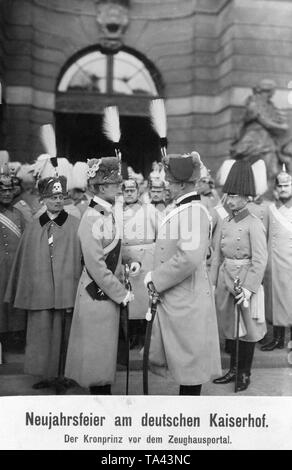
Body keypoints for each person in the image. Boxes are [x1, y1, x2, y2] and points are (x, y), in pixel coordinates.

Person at [144, 152, 221, 395]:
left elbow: (188, 257)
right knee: (185, 366)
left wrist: (155, 280)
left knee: (190, 368)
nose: (166, 187)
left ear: (181, 184)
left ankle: (188, 419)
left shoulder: (193, 212)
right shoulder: (182, 209)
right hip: (179, 297)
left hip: (186, 299)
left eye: (169, 183)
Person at [5, 175, 82, 388]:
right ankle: (44, 375)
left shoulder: (75, 225)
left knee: (65, 334)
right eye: (52, 197)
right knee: (40, 333)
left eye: (61, 196)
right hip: (40, 290)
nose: (58, 201)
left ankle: (65, 375)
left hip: (66, 288)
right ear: (43, 200)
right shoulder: (33, 227)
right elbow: (25, 260)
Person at [65, 157, 133, 395]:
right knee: (97, 358)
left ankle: (103, 399)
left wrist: (129, 262)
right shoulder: (92, 217)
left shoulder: (106, 213)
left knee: (104, 353)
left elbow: (113, 248)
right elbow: (96, 265)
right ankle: (100, 404)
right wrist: (121, 293)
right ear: (102, 187)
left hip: (105, 294)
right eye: (116, 183)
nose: (120, 186)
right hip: (97, 294)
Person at [211, 160, 268, 391]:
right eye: (228, 195)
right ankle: (232, 370)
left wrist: (248, 288)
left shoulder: (254, 223)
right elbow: (217, 256)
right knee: (230, 328)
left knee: (247, 331)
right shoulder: (225, 221)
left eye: (234, 196)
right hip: (226, 279)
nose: (229, 200)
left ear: (246, 197)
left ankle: (244, 374)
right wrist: (214, 283)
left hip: (245, 281)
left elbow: (260, 260)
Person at [117, 178, 160, 349]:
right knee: (129, 298)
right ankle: (131, 335)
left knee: (145, 298)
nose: (128, 193)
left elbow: (161, 231)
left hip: (146, 258)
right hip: (125, 257)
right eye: (125, 190)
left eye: (132, 190)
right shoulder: (116, 211)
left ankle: (145, 335)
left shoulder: (149, 209)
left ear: (138, 191)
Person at [261, 165, 292, 351]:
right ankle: (278, 339)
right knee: (275, 302)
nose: (283, 189)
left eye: (287, 186)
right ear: (275, 188)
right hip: (274, 264)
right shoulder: (269, 209)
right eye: (280, 186)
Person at [0, 171, 26, 357]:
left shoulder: (18, 213)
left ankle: (15, 338)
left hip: (15, 265)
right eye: (2, 191)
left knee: (15, 302)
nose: (7, 194)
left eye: (9, 190)